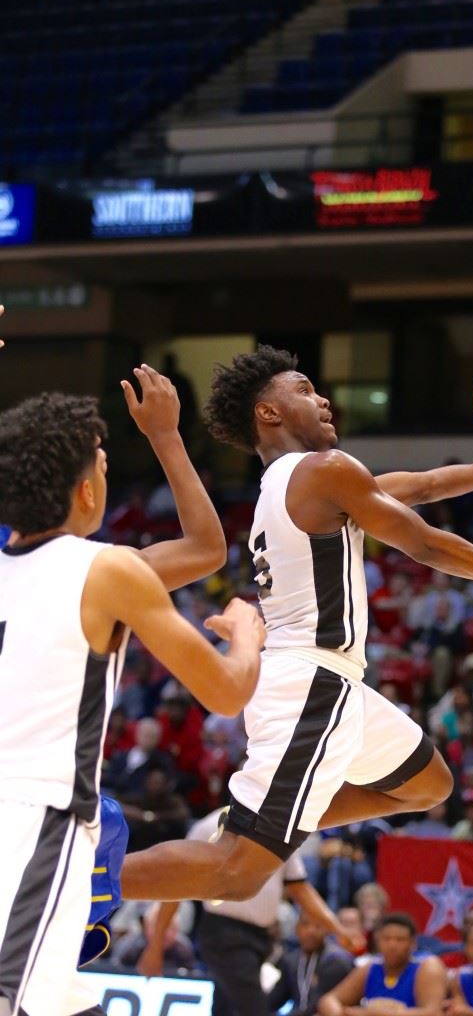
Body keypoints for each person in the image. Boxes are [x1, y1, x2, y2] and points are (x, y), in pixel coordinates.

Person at [121, 346, 473, 907]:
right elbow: (422, 540)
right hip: (310, 685)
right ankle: (81, 883)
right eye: (303, 389)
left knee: (428, 784)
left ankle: (280, 816)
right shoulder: (323, 473)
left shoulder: (288, 484)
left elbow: (419, 485)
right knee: (236, 872)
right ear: (268, 413)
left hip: (330, 685)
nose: (322, 398)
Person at [0, 372, 264, 1016]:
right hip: (37, 820)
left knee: (61, 1003)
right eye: (104, 465)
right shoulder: (108, 570)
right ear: (88, 490)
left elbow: (202, 548)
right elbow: (227, 693)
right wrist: (246, 636)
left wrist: (168, 438)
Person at [137, 807, 358, 1016]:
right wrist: (155, 946)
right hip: (223, 934)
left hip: (262, 937)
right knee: (254, 1010)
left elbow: (300, 888)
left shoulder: (281, 827)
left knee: (225, 1007)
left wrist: (337, 930)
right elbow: (176, 888)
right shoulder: (209, 826)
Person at [318, 912, 448, 1016]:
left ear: (413, 944)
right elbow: (328, 1000)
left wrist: (372, 1013)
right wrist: (339, 1013)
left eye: (400, 940)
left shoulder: (427, 966)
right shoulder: (371, 967)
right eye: (386, 939)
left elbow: (433, 1013)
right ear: (377, 942)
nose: (392, 945)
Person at [268, 910, 356, 1016]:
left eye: (318, 926)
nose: (311, 931)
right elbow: (274, 999)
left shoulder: (337, 961)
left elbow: (317, 1005)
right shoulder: (292, 960)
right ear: (296, 929)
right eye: (305, 924)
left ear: (327, 929)